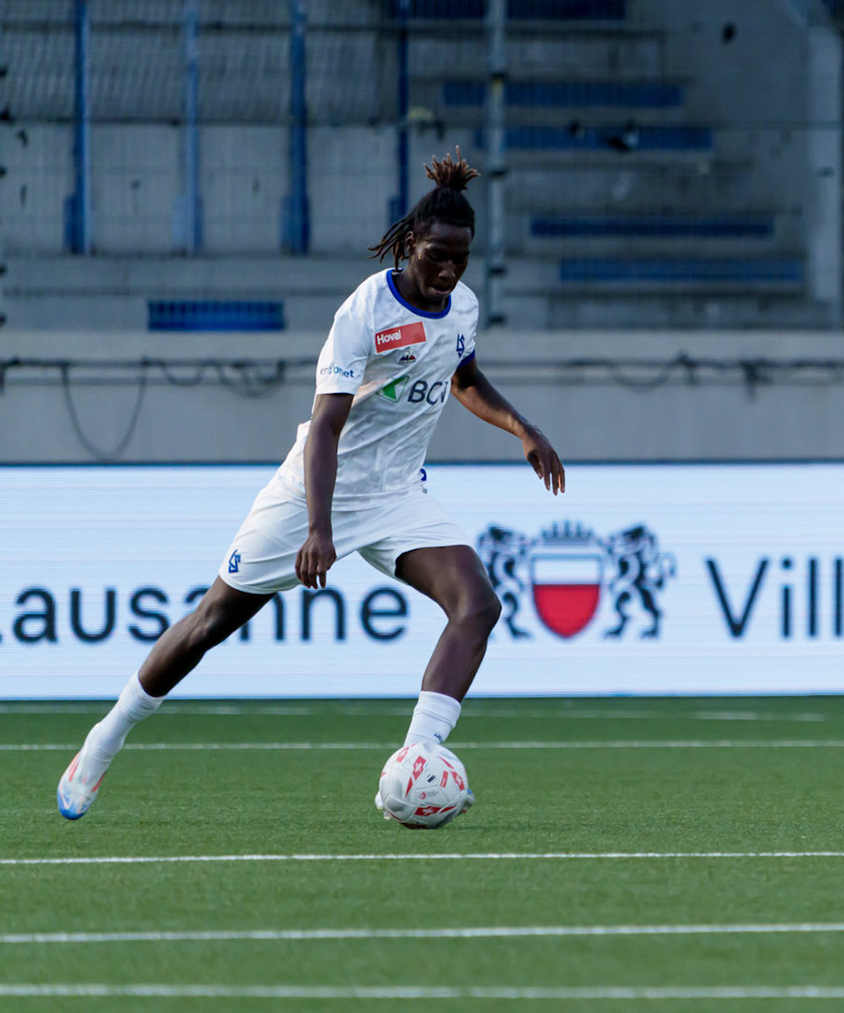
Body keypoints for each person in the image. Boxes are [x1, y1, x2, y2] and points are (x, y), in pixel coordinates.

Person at [57, 152, 565, 820]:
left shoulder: (461, 306)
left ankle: (416, 759)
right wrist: (319, 529)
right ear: (411, 243)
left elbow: (462, 377)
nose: (449, 270)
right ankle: (105, 738)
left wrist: (521, 428)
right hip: (313, 492)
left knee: (478, 606)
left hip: (398, 496)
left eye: (461, 259)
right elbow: (326, 427)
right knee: (213, 621)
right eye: (438, 254)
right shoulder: (365, 312)